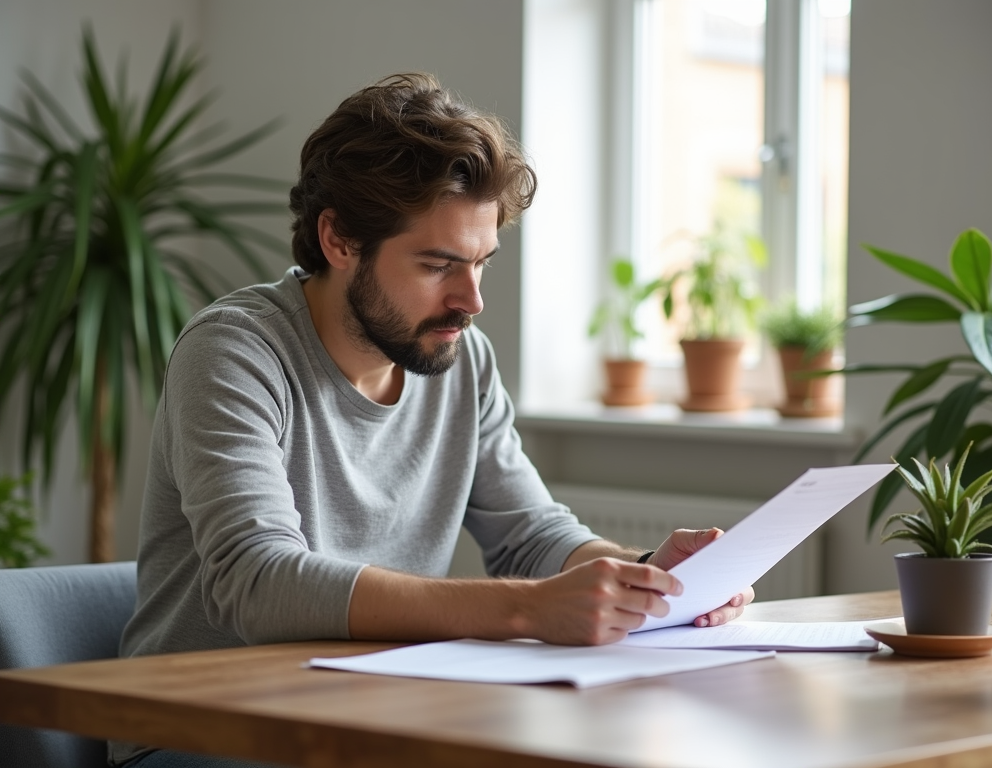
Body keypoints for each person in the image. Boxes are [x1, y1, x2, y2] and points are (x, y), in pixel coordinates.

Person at [113, 73, 753, 767]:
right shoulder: (234, 351)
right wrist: (528, 609)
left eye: (481, 263)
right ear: (339, 239)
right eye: (438, 264)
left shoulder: (459, 358)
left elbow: (530, 534)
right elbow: (261, 583)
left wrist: (646, 575)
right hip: (207, 733)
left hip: (379, 719)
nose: (470, 300)